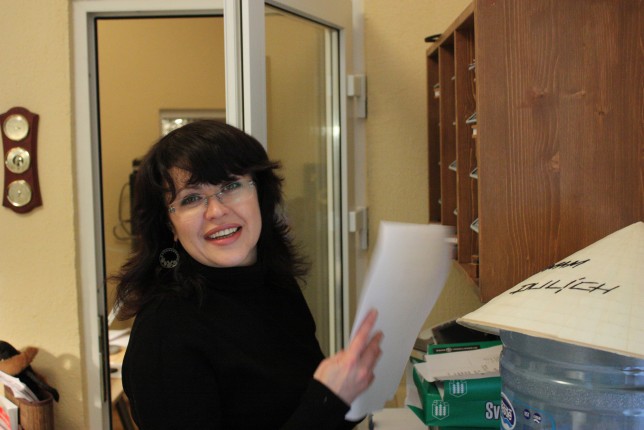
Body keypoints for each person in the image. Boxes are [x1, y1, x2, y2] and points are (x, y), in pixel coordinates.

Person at [114, 120, 383, 429]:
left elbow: (299, 406)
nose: (216, 211)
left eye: (230, 186)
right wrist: (329, 399)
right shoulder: (164, 331)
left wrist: (349, 391)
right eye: (191, 199)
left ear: (260, 194)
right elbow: (316, 411)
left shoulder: (275, 283)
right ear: (169, 226)